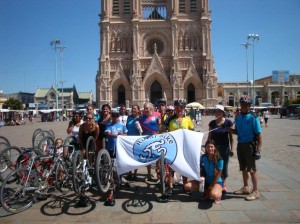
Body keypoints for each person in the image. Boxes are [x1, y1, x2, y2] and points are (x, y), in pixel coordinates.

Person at [229, 95, 262, 201]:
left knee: (252, 169)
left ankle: (256, 191)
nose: (244, 106)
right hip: (241, 144)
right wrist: (228, 129)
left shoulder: (253, 117)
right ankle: (246, 187)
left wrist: (258, 149)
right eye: (242, 104)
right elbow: (237, 132)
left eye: (246, 105)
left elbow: (259, 135)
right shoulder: (238, 117)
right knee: (243, 168)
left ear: (249, 106)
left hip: (250, 144)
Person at [165, 99, 194, 194]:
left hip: (184, 147)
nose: (179, 109)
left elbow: (192, 133)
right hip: (172, 146)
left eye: (181, 107)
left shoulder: (188, 119)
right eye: (177, 107)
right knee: (171, 167)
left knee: (184, 167)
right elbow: (162, 130)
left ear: (184, 108)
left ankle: (185, 185)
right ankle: (170, 186)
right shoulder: (169, 119)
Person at [184, 139, 224, 204]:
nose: (210, 148)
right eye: (208, 147)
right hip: (205, 181)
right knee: (187, 186)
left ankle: (218, 192)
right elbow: (197, 168)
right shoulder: (203, 157)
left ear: (215, 148)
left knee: (214, 195)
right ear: (205, 148)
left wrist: (211, 186)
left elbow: (218, 175)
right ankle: (206, 192)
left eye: (211, 147)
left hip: (216, 182)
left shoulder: (219, 159)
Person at [103, 111, 128, 206]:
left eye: (116, 116)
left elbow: (126, 134)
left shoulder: (122, 125)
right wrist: (115, 135)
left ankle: (118, 180)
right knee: (111, 166)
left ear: (119, 117)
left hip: (120, 149)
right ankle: (113, 182)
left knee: (119, 165)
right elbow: (107, 133)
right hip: (110, 148)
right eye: (113, 116)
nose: (115, 117)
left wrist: (121, 135)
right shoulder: (109, 125)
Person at [208, 104, 234, 192]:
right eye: (216, 111)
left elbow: (231, 137)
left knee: (224, 165)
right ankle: (217, 181)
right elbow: (209, 137)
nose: (218, 113)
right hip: (214, 149)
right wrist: (207, 147)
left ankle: (223, 182)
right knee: (215, 165)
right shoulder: (212, 123)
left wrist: (232, 149)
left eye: (219, 111)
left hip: (225, 148)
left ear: (223, 112)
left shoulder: (228, 122)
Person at [139, 102, 161, 181]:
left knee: (157, 156)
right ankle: (148, 174)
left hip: (155, 138)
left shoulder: (156, 117)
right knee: (148, 157)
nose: (145, 110)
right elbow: (140, 129)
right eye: (145, 108)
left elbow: (160, 127)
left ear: (151, 109)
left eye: (147, 108)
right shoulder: (141, 118)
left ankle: (158, 172)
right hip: (146, 139)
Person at [126, 104, 142, 181]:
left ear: (138, 110)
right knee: (129, 157)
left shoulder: (140, 119)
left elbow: (142, 130)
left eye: (135, 108)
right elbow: (126, 127)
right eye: (133, 108)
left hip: (136, 140)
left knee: (135, 157)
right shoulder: (129, 118)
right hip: (129, 139)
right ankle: (129, 173)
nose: (133, 110)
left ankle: (135, 173)